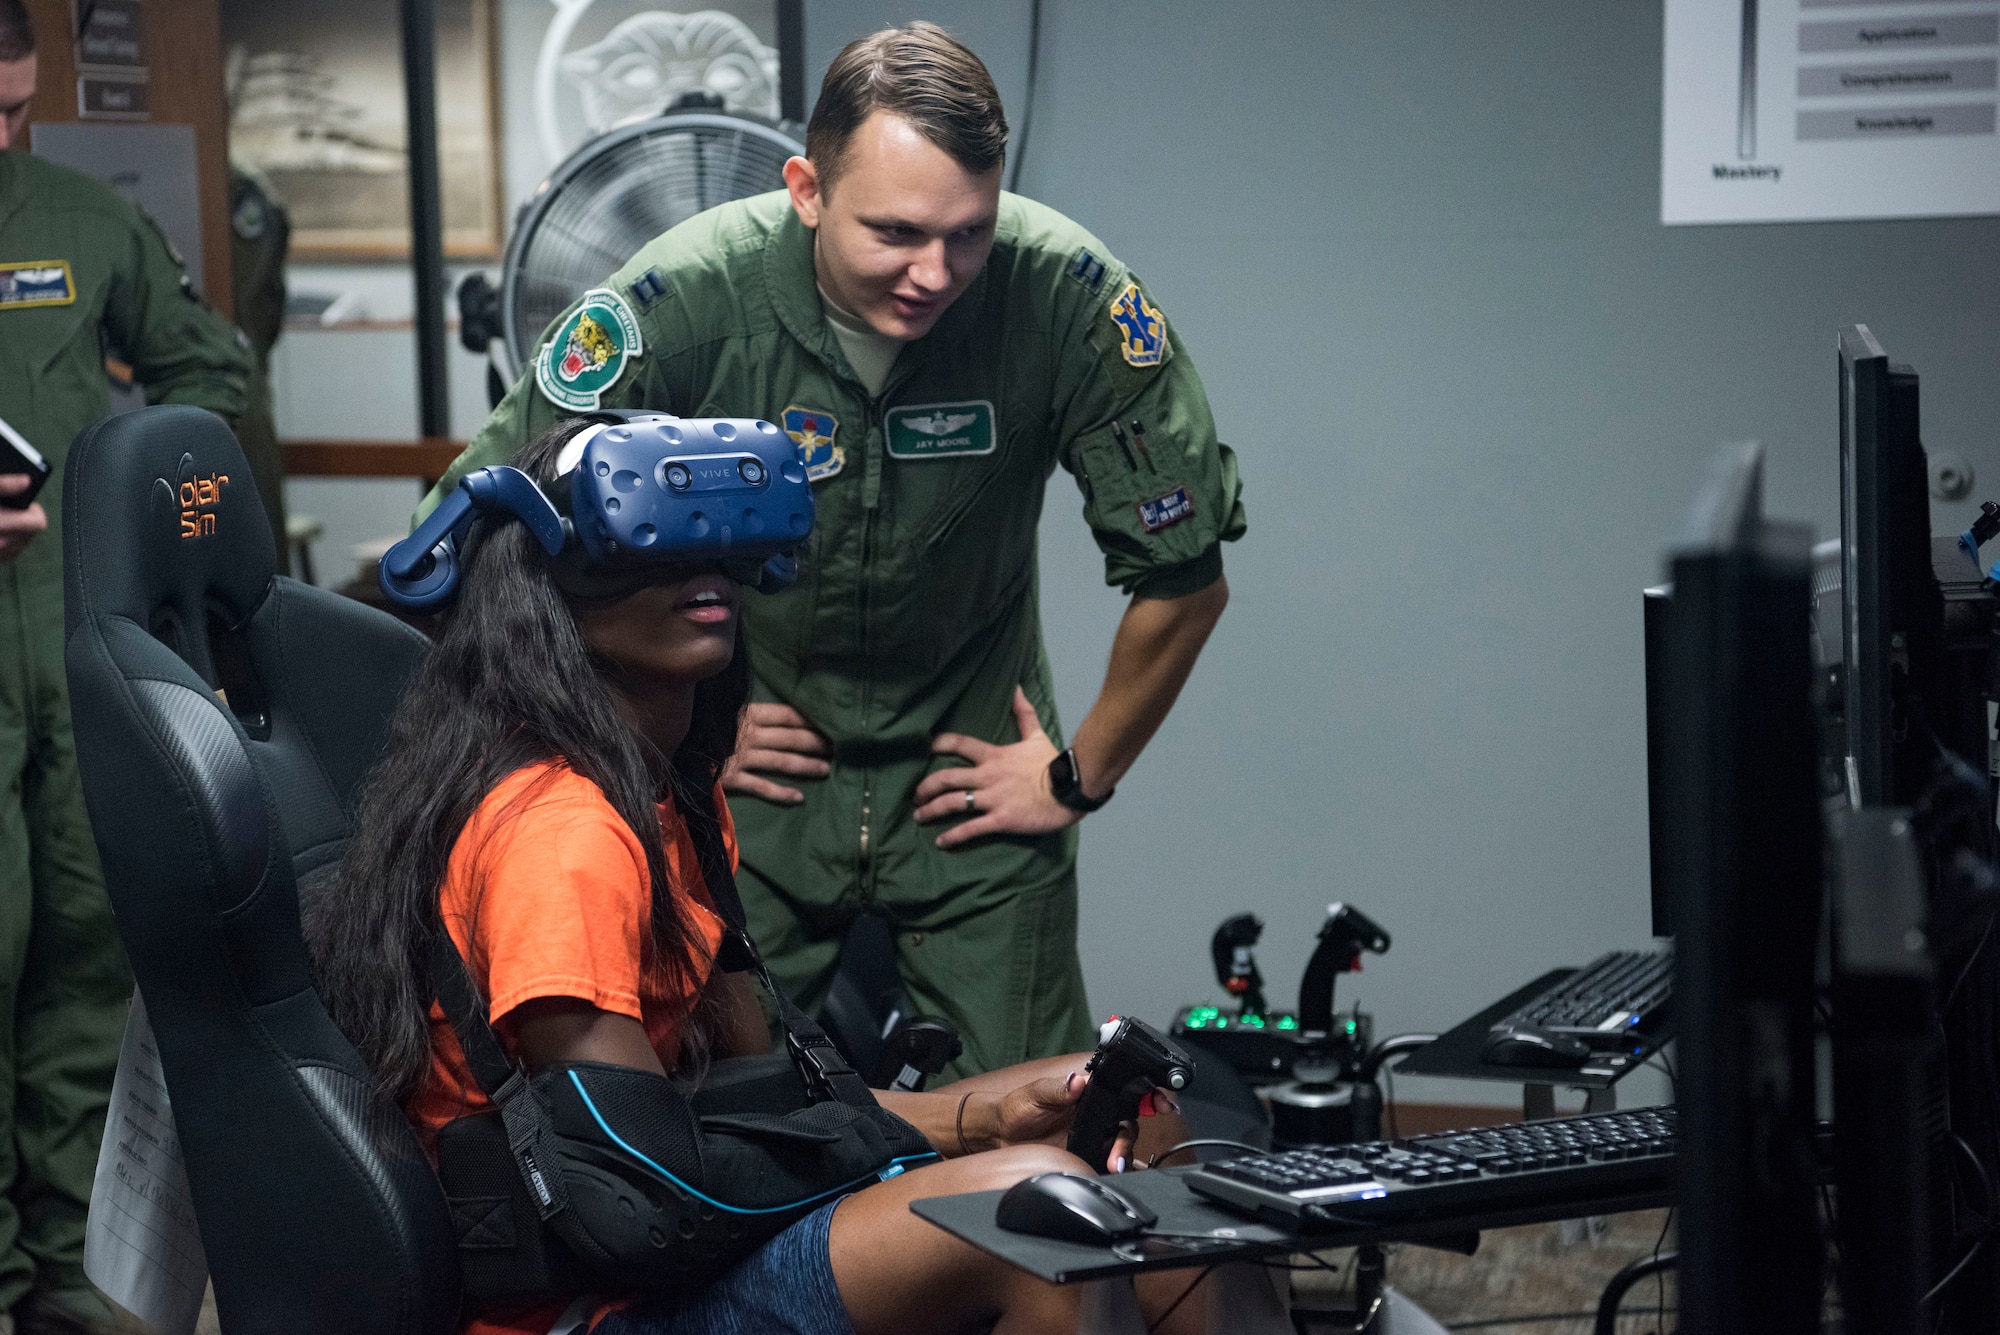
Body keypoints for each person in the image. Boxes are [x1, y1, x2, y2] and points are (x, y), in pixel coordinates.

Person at [428, 24, 1246, 1078]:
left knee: (1036, 1126)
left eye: (968, 233)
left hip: (969, 783)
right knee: (723, 1117)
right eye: (896, 232)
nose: (934, 272)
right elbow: (479, 538)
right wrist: (656, 726)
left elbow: (1184, 578)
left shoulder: (1067, 300)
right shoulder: (683, 303)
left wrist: (1076, 775)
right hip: (746, 791)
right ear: (805, 188)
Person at [307, 419, 1232, 1335]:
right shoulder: (564, 832)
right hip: (594, 1306)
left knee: (1137, 1112)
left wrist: (987, 1117)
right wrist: (953, 1146)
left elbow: (772, 1100)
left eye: (722, 540)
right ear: (549, 577)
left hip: (689, 1249)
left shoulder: (667, 798)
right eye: (653, 544)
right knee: (1035, 1211)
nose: (705, 572)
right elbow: (641, 1193)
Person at [0, 5, 253, 1332]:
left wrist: (178, 545)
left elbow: (211, 396)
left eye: (15, 112)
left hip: (71, 648)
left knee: (91, 951)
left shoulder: (81, 224)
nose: (3, 140)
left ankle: (68, 1272)